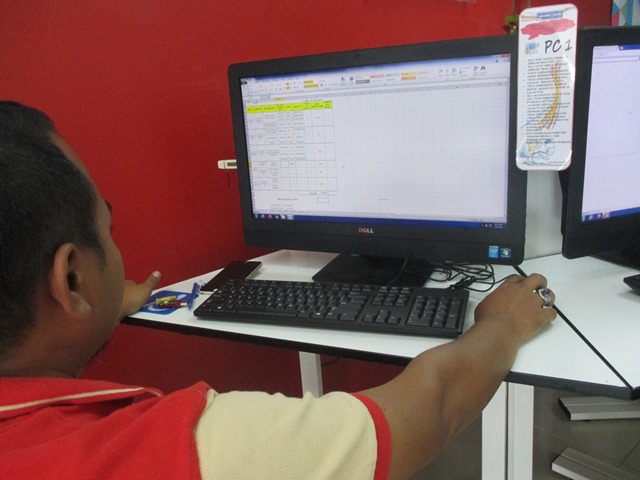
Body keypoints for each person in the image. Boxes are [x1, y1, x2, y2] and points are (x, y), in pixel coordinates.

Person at [0, 101, 556, 479]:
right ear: (71, 279)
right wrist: (504, 324)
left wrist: (100, 306)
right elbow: (430, 408)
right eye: (108, 228)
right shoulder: (183, 454)